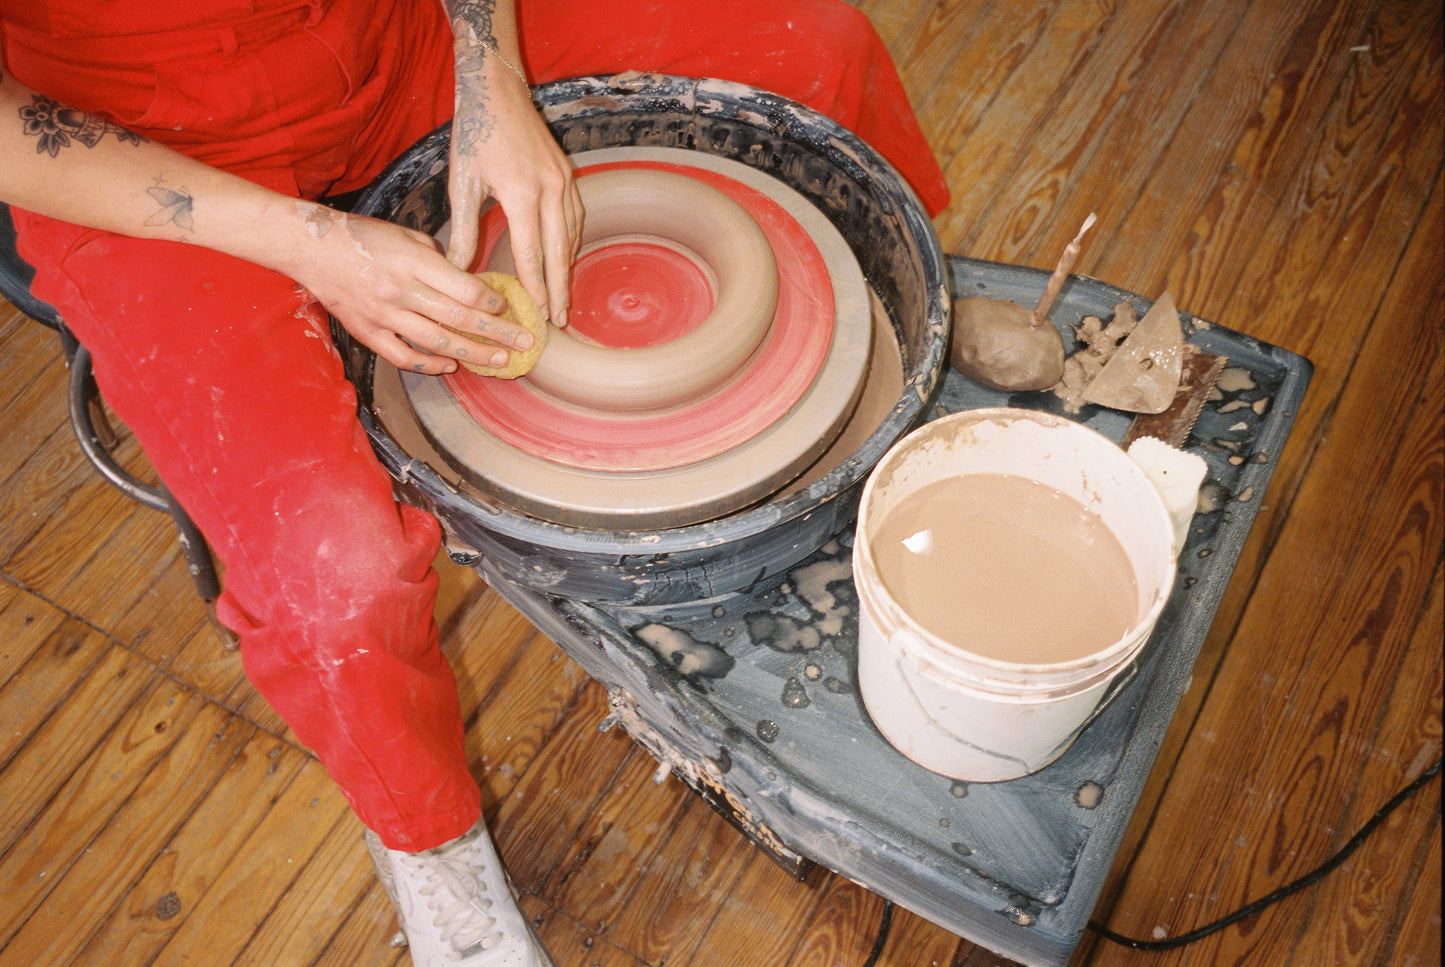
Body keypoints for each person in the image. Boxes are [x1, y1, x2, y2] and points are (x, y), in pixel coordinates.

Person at [0, 1, 949, 964]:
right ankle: (432, 846)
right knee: (339, 582)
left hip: (390, 38)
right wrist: (309, 244)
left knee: (814, 49)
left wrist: (487, 68)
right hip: (133, 150)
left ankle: (923, 377)